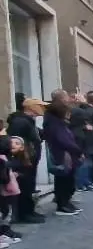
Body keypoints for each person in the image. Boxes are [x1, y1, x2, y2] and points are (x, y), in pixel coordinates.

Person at [7, 96, 46, 224]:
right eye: (39, 106)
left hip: (30, 158)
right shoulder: (21, 121)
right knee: (25, 186)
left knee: (29, 186)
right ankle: (24, 214)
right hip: (24, 160)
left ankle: (29, 211)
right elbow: (15, 141)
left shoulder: (28, 121)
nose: (42, 109)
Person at [43, 90, 82, 215]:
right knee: (64, 179)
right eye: (65, 97)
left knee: (67, 179)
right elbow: (62, 139)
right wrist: (77, 149)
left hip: (66, 152)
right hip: (63, 153)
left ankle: (65, 202)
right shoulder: (54, 120)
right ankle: (62, 204)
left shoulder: (57, 120)